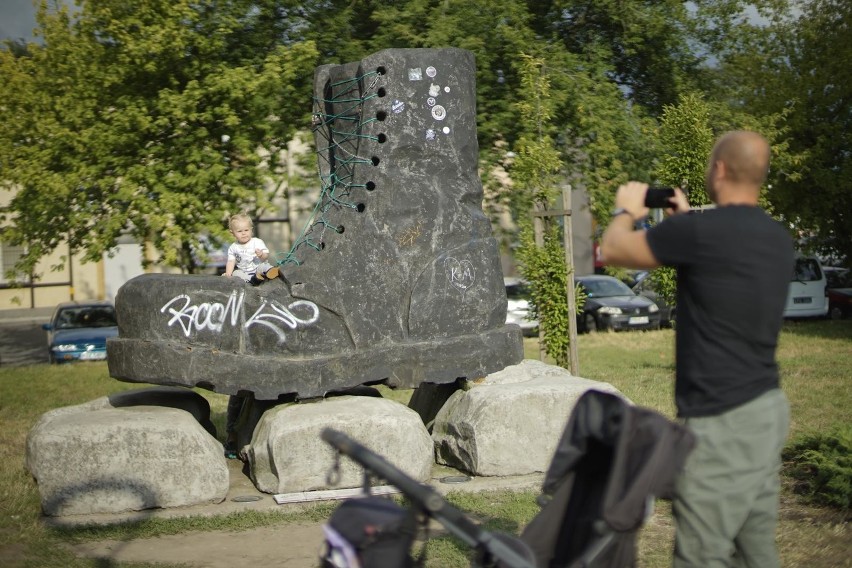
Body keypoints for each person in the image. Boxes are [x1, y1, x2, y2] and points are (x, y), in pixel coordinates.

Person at [600, 131, 794, 567]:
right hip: (767, 411)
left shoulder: (698, 233)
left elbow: (612, 248)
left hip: (719, 420)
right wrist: (683, 220)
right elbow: (719, 262)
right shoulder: (777, 238)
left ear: (720, 169)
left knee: (700, 555)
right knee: (755, 549)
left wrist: (626, 210)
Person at [223, 212, 279, 285]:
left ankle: (271, 271)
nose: (243, 233)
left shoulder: (256, 242)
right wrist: (228, 274)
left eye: (246, 230)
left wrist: (261, 255)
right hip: (244, 272)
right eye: (239, 231)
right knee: (236, 273)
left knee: (264, 266)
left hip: (258, 268)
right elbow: (231, 262)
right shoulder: (233, 247)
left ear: (251, 230)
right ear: (232, 233)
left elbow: (265, 256)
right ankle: (253, 279)